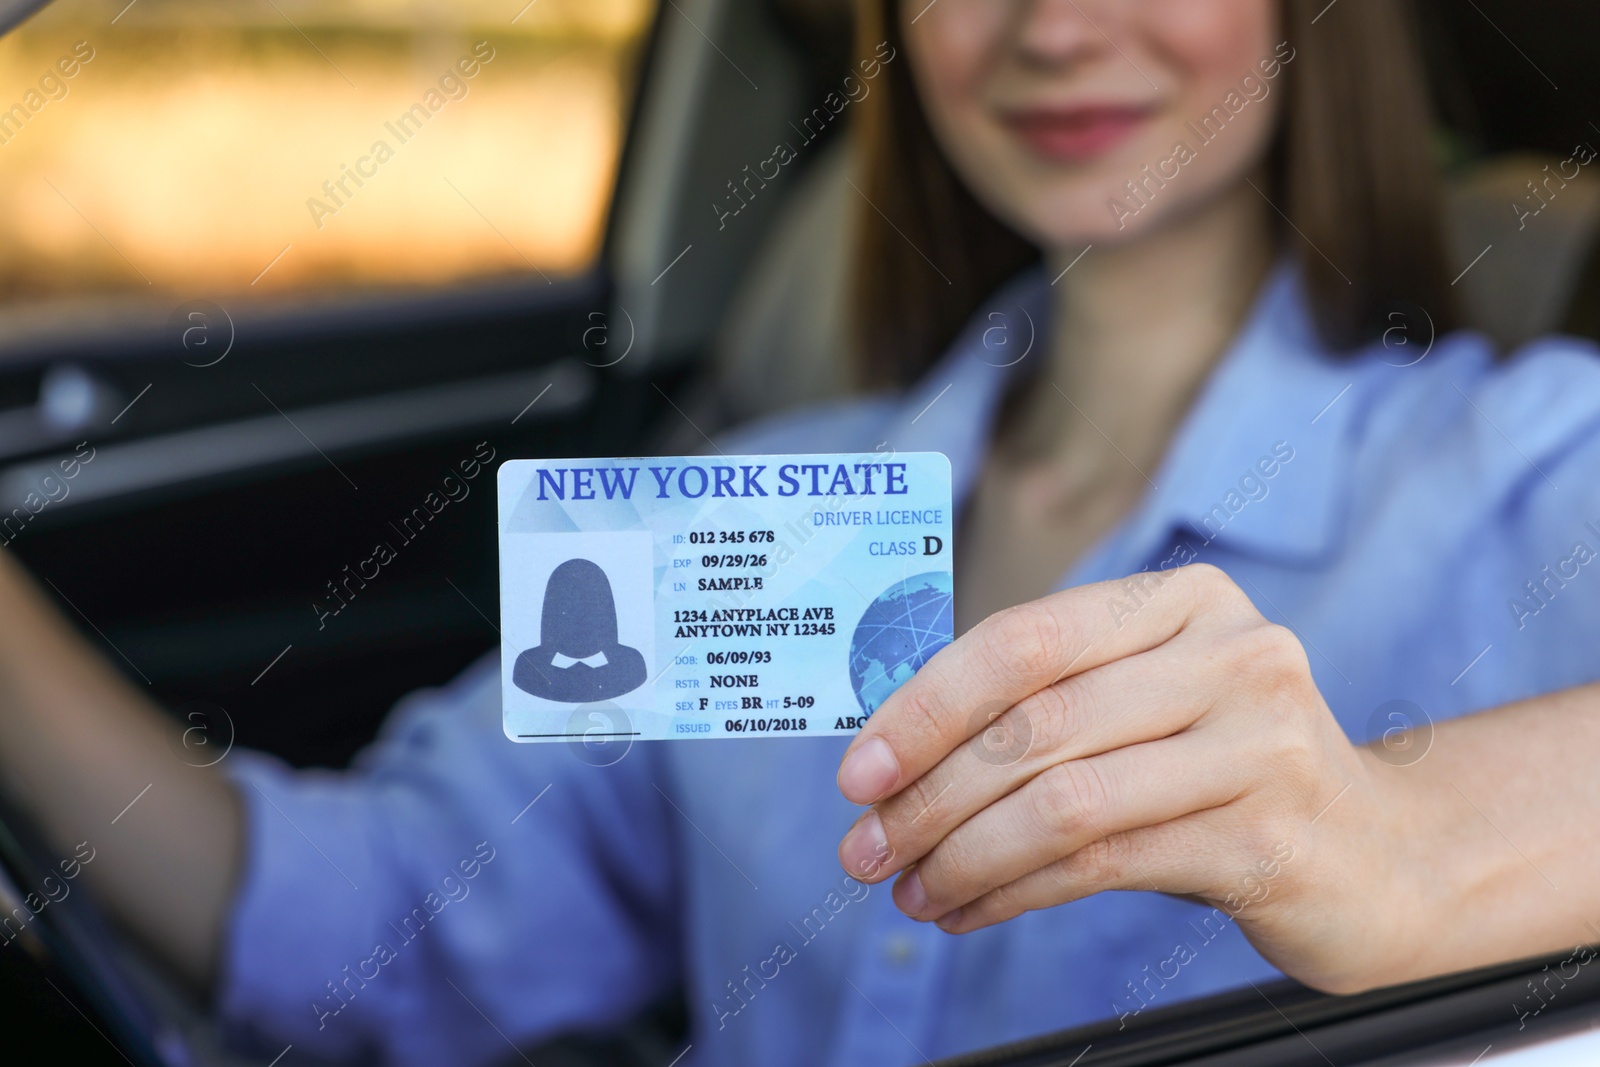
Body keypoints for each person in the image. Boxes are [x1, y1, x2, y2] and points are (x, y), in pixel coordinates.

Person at [2, 1, 1600, 1064]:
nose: (1053, 24)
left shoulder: (1532, 463)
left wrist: (1401, 834)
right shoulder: (762, 505)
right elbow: (349, 931)